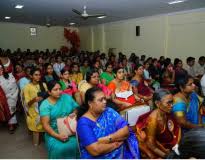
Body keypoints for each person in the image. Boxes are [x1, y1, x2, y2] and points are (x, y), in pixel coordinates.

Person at [77, 87, 140, 159]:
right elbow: (95, 150)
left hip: (120, 153)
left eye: (104, 99)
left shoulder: (109, 111)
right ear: (90, 103)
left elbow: (125, 131)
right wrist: (115, 145)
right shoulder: (83, 123)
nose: (105, 102)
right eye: (101, 100)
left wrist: (106, 139)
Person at [135, 89, 181, 158]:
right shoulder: (153, 121)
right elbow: (151, 145)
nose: (172, 105)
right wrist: (167, 157)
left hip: (168, 145)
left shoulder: (167, 113)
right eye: (168, 103)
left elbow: (175, 128)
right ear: (157, 103)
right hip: (157, 149)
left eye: (172, 102)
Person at [40, 80, 79, 159]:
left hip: (70, 128)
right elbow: (45, 124)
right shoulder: (45, 105)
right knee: (59, 149)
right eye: (55, 90)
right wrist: (58, 136)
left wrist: (74, 113)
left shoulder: (67, 97)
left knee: (78, 144)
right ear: (49, 92)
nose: (59, 92)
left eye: (60, 89)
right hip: (53, 132)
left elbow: (76, 108)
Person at [23, 67, 47, 145]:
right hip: (33, 109)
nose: (38, 77)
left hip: (44, 107)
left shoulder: (43, 84)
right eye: (36, 75)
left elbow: (48, 97)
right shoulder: (27, 87)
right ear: (31, 76)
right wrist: (34, 99)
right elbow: (27, 104)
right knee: (36, 119)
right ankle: (36, 142)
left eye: (39, 75)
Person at [0, 61, 19, 133]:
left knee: (12, 110)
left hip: (14, 95)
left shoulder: (9, 75)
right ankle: (10, 124)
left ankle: (12, 124)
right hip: (5, 98)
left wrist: (14, 95)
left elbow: (14, 85)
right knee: (8, 111)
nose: (1, 70)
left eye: (1, 69)